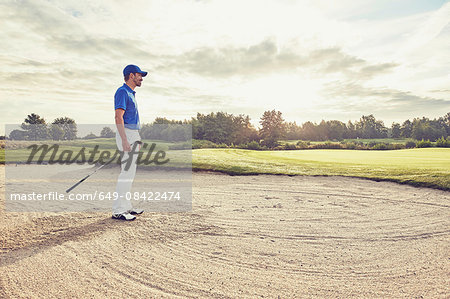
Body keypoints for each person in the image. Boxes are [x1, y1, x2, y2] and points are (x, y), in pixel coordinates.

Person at [112, 64, 147, 221]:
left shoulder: (131, 93)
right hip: (126, 134)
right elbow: (118, 117)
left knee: (130, 173)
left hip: (133, 134)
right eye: (139, 75)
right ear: (131, 75)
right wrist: (125, 140)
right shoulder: (122, 92)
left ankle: (126, 206)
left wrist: (136, 138)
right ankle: (118, 210)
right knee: (126, 173)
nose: (141, 78)